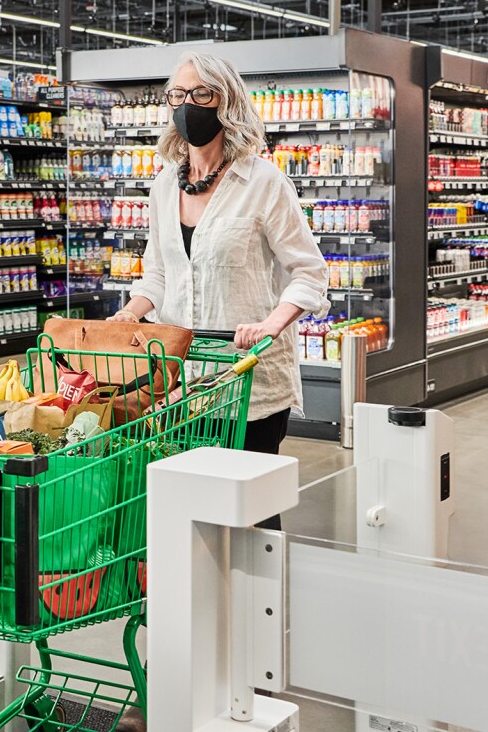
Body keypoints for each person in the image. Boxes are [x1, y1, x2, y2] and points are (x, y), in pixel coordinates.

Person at [109, 50, 329, 732]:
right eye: (176, 92)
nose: (186, 103)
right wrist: (128, 314)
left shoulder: (264, 183)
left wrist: (269, 321)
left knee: (248, 531)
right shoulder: (160, 186)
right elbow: (155, 278)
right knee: (178, 533)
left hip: (252, 390)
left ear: (225, 102)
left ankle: (255, 681)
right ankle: (181, 683)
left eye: (200, 92)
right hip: (182, 390)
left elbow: (308, 275)